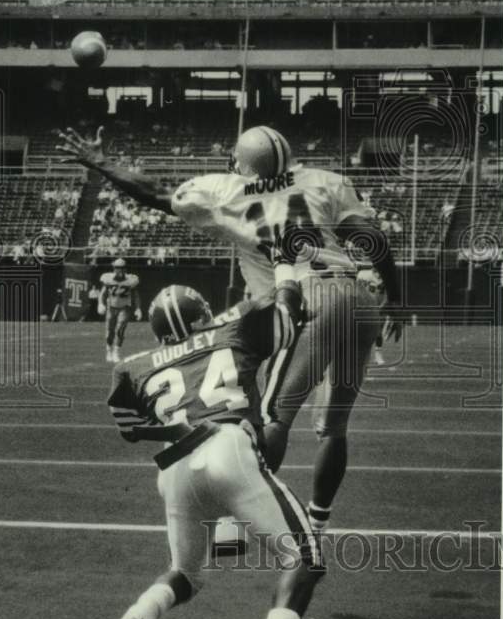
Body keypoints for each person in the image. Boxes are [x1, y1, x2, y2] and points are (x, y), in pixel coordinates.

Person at [57, 125, 403, 536]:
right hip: (358, 298)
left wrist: (101, 162)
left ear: (244, 165)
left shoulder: (227, 192)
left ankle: (231, 532)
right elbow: (371, 237)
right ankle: (317, 522)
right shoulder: (325, 181)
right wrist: (397, 298)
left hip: (309, 298)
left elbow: (155, 193)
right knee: (333, 427)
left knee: (273, 418)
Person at [103, 281, 329, 619]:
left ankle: (137, 618)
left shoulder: (133, 367)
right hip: (227, 446)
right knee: (305, 555)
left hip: (174, 468)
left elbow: (129, 427)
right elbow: (287, 318)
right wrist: (288, 283)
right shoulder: (234, 327)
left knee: (185, 573)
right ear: (203, 316)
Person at [99, 258, 141, 363]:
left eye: (122, 268)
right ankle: (109, 350)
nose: (120, 270)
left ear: (125, 269)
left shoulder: (131, 280)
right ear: (114, 268)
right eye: (117, 268)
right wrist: (100, 303)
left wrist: (138, 308)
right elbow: (103, 293)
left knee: (120, 329)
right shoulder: (108, 278)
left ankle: (116, 352)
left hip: (124, 307)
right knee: (110, 331)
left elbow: (136, 295)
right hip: (111, 307)